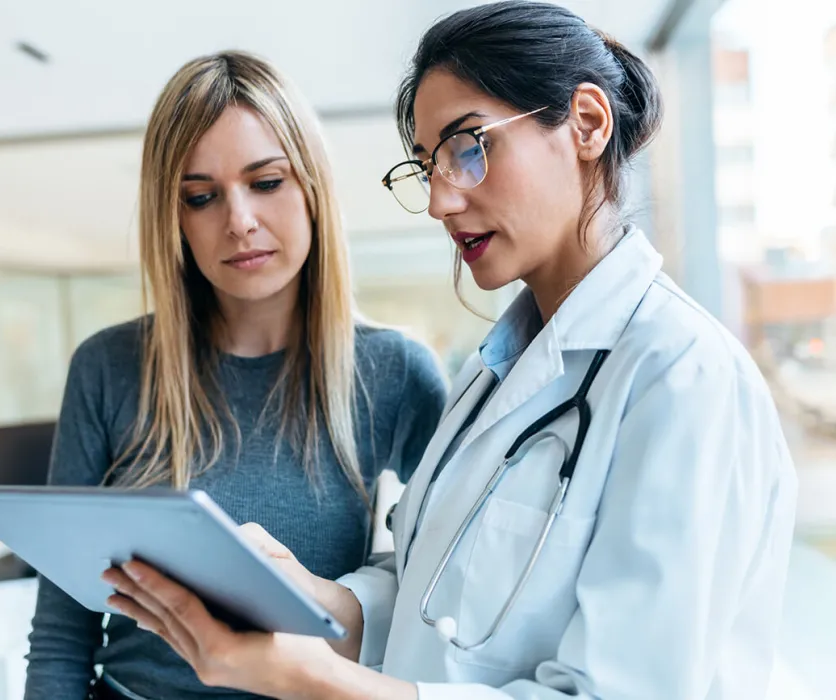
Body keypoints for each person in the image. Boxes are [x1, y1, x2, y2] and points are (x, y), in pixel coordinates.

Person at [101, 3, 798, 699]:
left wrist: (306, 677)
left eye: (469, 147)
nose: (439, 200)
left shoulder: (682, 378)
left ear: (586, 124)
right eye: (429, 164)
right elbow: (426, 594)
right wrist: (314, 597)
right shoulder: (495, 375)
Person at [23, 50, 447, 700]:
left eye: (267, 182)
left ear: (311, 187)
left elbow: (443, 591)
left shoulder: (395, 372)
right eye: (201, 196)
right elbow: (61, 634)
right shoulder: (109, 368)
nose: (239, 220)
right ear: (176, 217)